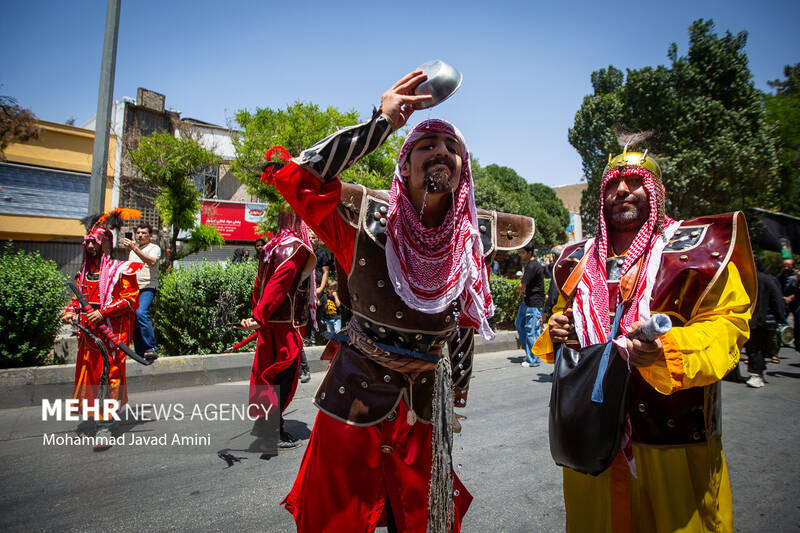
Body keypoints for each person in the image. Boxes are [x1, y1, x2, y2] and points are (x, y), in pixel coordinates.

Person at [262, 70, 532, 532]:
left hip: (424, 410)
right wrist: (381, 123)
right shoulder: (362, 219)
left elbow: (463, 324)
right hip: (353, 400)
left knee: (425, 521)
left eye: (451, 147)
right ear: (404, 166)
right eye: (427, 145)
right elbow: (299, 177)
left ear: (463, 170)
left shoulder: (474, 238)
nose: (441, 151)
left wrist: (456, 393)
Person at [533, 141, 756, 532]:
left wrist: (666, 352)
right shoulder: (576, 259)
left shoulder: (700, 250)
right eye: (612, 184)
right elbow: (561, 320)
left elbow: (728, 325)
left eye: (636, 181)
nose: (622, 190)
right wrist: (559, 332)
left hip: (670, 442)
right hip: (591, 438)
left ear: (657, 192)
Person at [62, 210, 142, 447]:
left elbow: (130, 300)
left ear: (106, 243)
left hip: (111, 337)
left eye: (95, 242)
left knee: (109, 377)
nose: (90, 247)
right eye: (88, 242)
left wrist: (103, 312)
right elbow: (78, 299)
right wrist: (70, 311)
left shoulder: (122, 269)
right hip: (89, 336)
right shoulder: (83, 274)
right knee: (91, 378)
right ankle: (105, 418)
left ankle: (104, 426)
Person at [238, 208, 316, 449]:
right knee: (283, 375)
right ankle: (272, 430)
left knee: (267, 372)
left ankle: (266, 423)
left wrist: (257, 313)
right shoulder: (295, 248)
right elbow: (278, 284)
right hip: (286, 325)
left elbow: (259, 284)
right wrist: (259, 315)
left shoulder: (271, 246)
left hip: (270, 322)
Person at [745, 256, 787, 387]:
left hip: (751, 320)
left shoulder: (745, 279)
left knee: (754, 348)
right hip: (765, 320)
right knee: (760, 348)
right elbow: (778, 299)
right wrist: (780, 318)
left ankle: (756, 374)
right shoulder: (768, 279)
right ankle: (758, 373)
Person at [122, 222, 161, 360]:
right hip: (133, 289)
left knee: (141, 312)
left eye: (144, 233)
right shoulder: (133, 250)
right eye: (138, 233)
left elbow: (152, 262)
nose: (140, 235)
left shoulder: (154, 248)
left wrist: (135, 249)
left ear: (150, 235)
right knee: (133, 317)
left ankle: (151, 347)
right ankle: (139, 351)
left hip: (148, 286)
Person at [515, 242, 544, 368]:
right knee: (519, 324)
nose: (520, 255)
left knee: (531, 331)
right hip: (528, 302)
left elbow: (522, 284)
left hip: (533, 303)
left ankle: (533, 359)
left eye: (522, 252)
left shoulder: (532, 266)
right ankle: (531, 353)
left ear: (529, 253)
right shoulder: (531, 265)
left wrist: (521, 292)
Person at [778, 258, 800, 352]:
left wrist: (792, 296)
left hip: (795, 303)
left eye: (788, 265)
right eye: (785, 265)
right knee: (781, 320)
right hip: (786, 302)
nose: (786, 267)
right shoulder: (781, 276)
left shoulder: (794, 276)